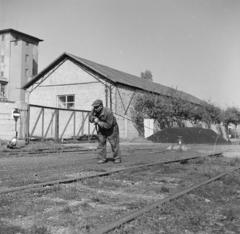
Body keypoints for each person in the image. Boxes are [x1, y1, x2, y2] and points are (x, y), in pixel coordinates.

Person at [89, 99, 121, 164]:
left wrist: (99, 122)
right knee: (101, 143)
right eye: (94, 107)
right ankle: (102, 159)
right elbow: (90, 118)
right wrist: (93, 118)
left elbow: (109, 125)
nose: (95, 109)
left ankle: (117, 158)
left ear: (101, 106)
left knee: (114, 143)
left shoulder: (108, 112)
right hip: (101, 128)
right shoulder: (94, 110)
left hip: (111, 128)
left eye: (97, 107)